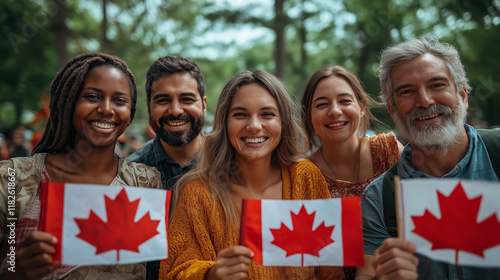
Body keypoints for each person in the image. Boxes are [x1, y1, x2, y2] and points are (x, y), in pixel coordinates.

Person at [159, 70, 344, 279]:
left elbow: (332, 270)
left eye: (267, 114)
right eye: (240, 115)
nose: (254, 126)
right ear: (224, 123)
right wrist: (209, 275)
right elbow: (173, 271)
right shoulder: (198, 192)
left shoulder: (306, 177)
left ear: (283, 122)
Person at [0, 53, 162, 279]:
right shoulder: (12, 178)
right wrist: (13, 271)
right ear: (68, 102)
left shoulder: (146, 182)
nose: (107, 109)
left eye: (119, 100)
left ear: (131, 112)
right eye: (93, 96)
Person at [357, 37, 500, 280]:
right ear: (393, 110)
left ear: (463, 95)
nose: (424, 101)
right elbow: (368, 275)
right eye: (407, 92)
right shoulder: (379, 199)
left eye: (436, 85)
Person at [301, 66, 404, 279]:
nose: (334, 111)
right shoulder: (302, 175)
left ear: (362, 106)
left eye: (345, 101)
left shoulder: (390, 152)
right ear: (308, 114)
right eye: (322, 104)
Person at [127, 55, 206, 279]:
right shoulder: (128, 176)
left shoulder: (232, 164)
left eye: (187, 99)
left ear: (204, 104)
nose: (175, 110)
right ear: (149, 107)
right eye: (163, 100)